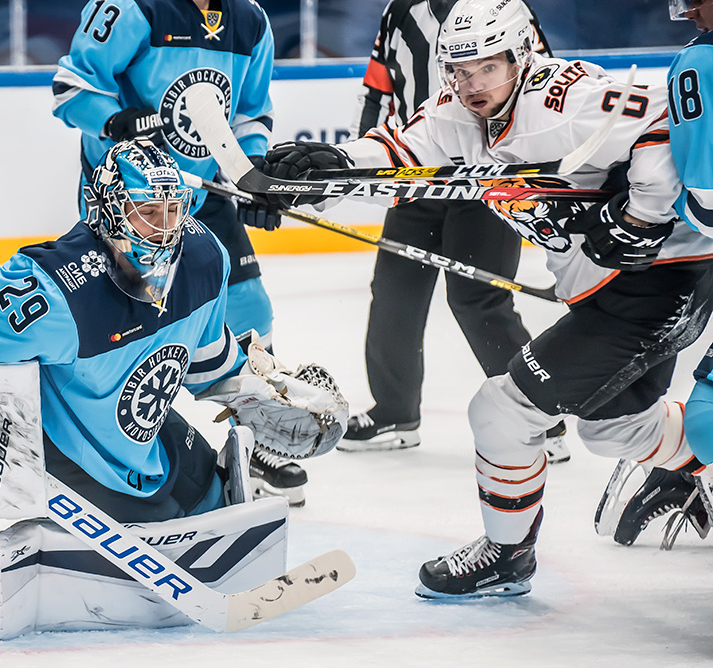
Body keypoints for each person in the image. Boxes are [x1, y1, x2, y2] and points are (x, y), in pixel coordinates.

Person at [261, 0, 713, 598]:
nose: (472, 83)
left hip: (659, 281)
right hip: (617, 292)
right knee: (615, 430)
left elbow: (660, 121)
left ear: (520, 56)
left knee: (502, 411)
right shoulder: (457, 109)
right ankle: (692, 470)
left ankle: (507, 554)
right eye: (459, 68)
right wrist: (326, 170)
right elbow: (402, 159)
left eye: (488, 67)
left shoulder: (564, 100)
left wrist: (641, 213)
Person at [0, 139, 347, 636]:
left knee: (213, 503)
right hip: (73, 450)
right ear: (110, 213)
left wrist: (256, 391)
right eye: (148, 212)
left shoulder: (204, 258)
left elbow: (205, 361)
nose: (165, 227)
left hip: (147, 434)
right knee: (154, 524)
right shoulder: (58, 288)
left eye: (174, 210)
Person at [52, 0, 310, 506]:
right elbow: (70, 89)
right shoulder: (131, 7)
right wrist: (116, 119)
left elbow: (251, 113)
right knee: (126, 320)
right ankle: (102, 441)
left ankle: (261, 437)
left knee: (251, 307)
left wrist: (251, 172)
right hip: (131, 198)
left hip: (204, 192)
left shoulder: (250, 20)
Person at [341, 0, 570, 464]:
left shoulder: (503, 7)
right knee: (393, 293)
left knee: (477, 297)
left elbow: (539, 77)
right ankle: (394, 411)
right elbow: (379, 85)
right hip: (414, 171)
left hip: (486, 176)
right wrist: (362, 161)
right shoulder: (400, 9)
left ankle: (539, 415)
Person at [598, 0, 713, 549]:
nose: (688, 9)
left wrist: (640, 219)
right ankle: (676, 472)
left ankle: (678, 472)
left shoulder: (699, 62)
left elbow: (706, 203)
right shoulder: (700, 59)